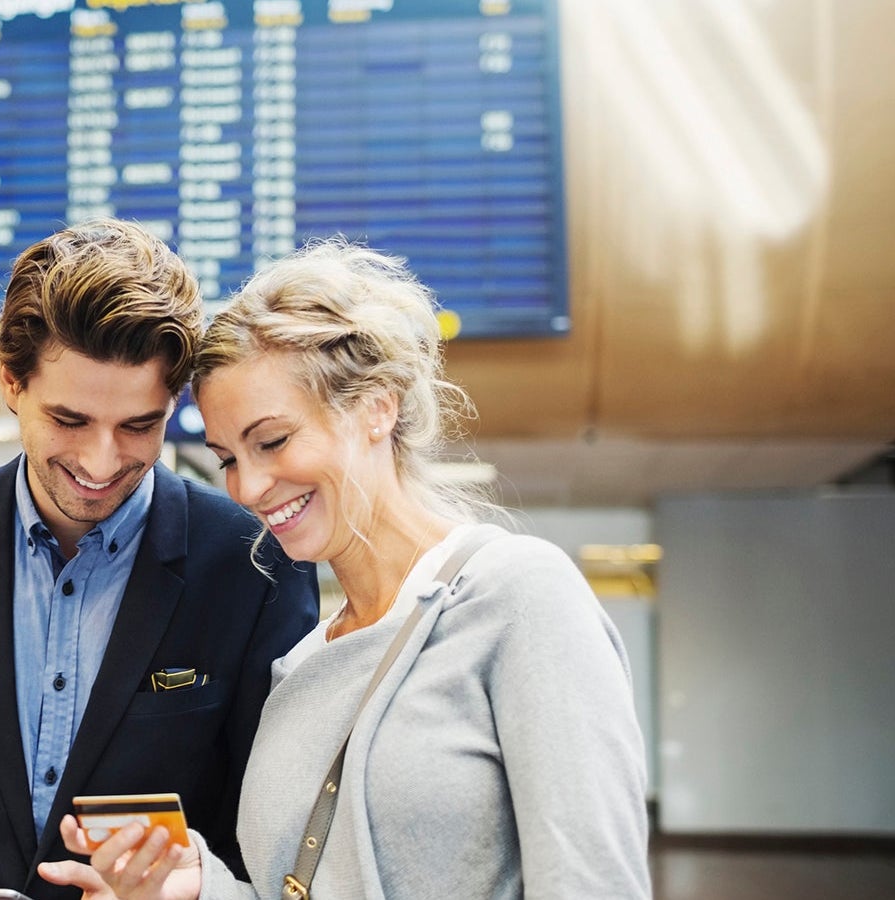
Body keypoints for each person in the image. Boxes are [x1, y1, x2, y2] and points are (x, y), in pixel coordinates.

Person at [38, 239, 650, 899]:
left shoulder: (519, 597)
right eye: (229, 458)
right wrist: (194, 887)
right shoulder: (302, 665)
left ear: (376, 408)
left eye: (271, 441)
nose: (248, 487)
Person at [0, 219, 320, 899]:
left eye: (139, 426)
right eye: (71, 420)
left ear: (173, 405)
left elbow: (269, 830)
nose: (100, 462)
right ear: (10, 381)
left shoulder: (255, 563)